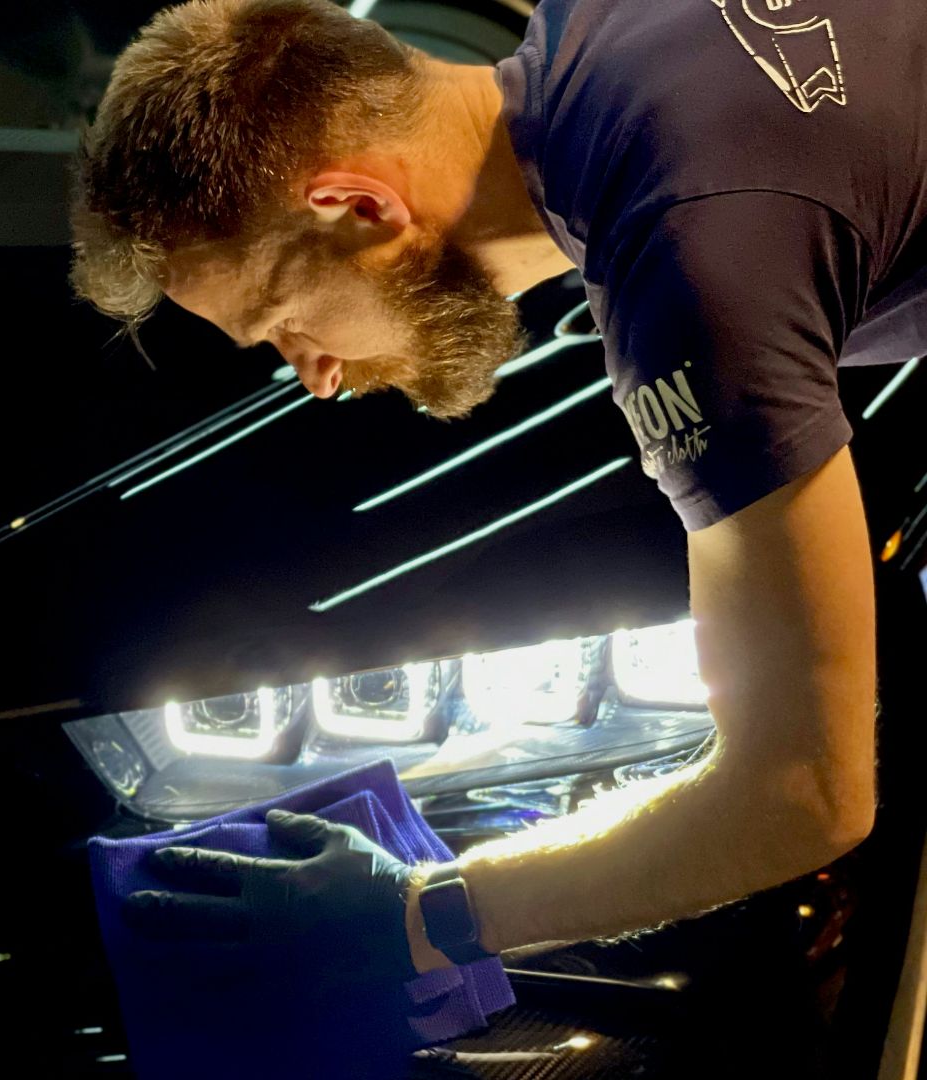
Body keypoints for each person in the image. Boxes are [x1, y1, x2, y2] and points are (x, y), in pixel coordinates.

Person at [72, 0, 919, 981]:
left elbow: (804, 792)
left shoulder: (691, 263)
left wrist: (425, 916)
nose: (317, 374)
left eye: (283, 320)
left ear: (357, 207)